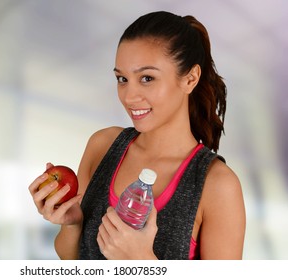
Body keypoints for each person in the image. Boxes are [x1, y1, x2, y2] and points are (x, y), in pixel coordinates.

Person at [29, 11, 246, 260]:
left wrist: (143, 262)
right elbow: (73, 259)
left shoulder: (217, 186)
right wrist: (71, 224)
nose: (129, 96)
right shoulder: (102, 146)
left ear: (190, 79)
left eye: (147, 78)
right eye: (122, 78)